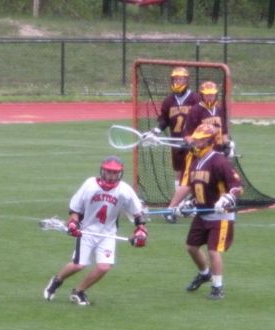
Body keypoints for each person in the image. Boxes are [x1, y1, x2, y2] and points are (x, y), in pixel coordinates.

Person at [43, 156, 148, 306]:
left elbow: (138, 214)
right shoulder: (90, 185)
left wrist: (141, 231)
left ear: (120, 173)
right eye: (108, 172)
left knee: (104, 267)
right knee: (79, 265)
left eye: (115, 173)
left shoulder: (124, 190)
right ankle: (57, 281)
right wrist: (73, 223)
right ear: (102, 171)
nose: (111, 176)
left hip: (108, 233)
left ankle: (78, 292)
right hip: (86, 231)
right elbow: (75, 209)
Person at [168, 124, 243, 300]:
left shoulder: (219, 161)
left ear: (209, 141)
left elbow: (237, 186)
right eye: (196, 139)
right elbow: (199, 190)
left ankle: (218, 287)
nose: (196, 142)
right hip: (203, 213)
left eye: (200, 139)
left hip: (221, 215)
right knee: (191, 247)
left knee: (213, 250)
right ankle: (205, 274)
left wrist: (226, 199)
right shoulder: (195, 161)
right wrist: (188, 205)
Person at [151, 66, 201, 223]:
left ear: (187, 81)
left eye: (181, 79)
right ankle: (180, 205)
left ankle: (188, 204)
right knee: (179, 173)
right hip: (176, 142)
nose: (178, 82)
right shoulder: (169, 101)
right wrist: (156, 131)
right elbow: (164, 120)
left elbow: (202, 118)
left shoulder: (195, 98)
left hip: (193, 143)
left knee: (194, 172)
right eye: (176, 79)